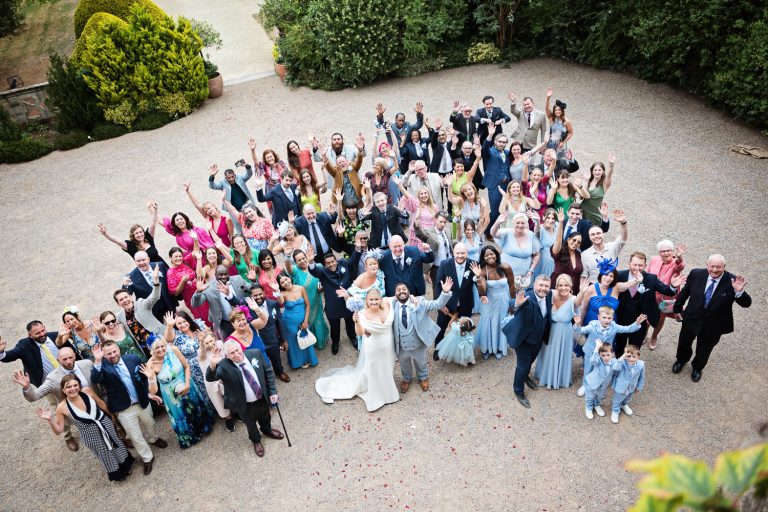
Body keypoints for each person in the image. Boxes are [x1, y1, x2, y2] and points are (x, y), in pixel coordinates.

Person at [35, 374, 134, 481]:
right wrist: (50, 419)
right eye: (68, 387)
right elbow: (58, 431)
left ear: (79, 385)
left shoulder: (87, 391)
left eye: (75, 385)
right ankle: (118, 474)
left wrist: (112, 416)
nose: (73, 389)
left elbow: (101, 403)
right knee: (104, 453)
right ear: (63, 390)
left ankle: (126, 466)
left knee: (116, 443)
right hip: (90, 435)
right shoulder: (62, 407)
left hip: (105, 424)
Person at [315, 288, 400, 411]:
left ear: (381, 299)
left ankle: (387, 388)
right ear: (366, 301)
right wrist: (356, 322)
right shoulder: (361, 313)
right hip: (373, 347)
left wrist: (413, 298)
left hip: (388, 345)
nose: (374, 302)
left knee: (387, 366)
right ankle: (375, 396)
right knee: (373, 368)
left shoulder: (387, 302)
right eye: (371, 300)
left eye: (376, 299)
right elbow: (360, 333)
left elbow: (399, 296)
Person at [90, 341, 168, 475]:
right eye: (108, 353)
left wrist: (149, 393)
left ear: (119, 349)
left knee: (150, 423)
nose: (113, 355)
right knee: (135, 436)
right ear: (104, 355)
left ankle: (153, 438)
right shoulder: (102, 367)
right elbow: (95, 379)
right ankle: (147, 458)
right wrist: (97, 361)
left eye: (114, 351)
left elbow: (143, 377)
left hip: (142, 401)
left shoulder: (132, 358)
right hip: (123, 408)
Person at [672, 254, 751, 382]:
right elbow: (686, 291)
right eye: (712, 266)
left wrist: (739, 292)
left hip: (714, 324)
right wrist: (677, 309)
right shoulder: (696, 274)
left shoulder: (733, 281)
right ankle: (681, 360)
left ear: (724, 266)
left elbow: (747, 304)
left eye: (718, 267)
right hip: (692, 317)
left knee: (704, 349)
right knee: (684, 342)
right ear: (707, 265)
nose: (714, 270)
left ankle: (697, 368)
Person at [205, 340, 283, 457]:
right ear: (227, 356)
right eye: (232, 353)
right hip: (244, 404)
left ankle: (267, 430)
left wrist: (272, 392)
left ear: (241, 348)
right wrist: (212, 365)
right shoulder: (224, 365)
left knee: (266, 416)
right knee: (250, 424)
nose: (236, 354)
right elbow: (210, 378)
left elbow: (268, 371)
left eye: (237, 350)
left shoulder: (255, 353)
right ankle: (256, 440)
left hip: (261, 398)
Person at [13, 346, 94, 452]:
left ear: (75, 355)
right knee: (63, 419)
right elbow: (35, 396)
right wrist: (27, 387)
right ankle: (68, 437)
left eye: (70, 357)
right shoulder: (53, 378)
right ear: (58, 360)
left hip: (93, 406)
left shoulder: (87, 364)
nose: (68, 361)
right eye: (64, 359)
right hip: (72, 412)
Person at [141, 338, 215, 448]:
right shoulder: (150, 364)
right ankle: (191, 436)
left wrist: (187, 385)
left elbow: (186, 366)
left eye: (162, 346)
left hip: (187, 383)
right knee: (182, 414)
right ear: (151, 350)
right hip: (172, 396)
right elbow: (153, 391)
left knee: (195, 405)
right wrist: (151, 378)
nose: (161, 349)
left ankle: (205, 427)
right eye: (157, 347)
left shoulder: (173, 350)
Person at [613, 252, 685, 357]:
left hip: (640, 321)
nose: (637, 268)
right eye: (634, 264)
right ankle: (618, 363)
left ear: (645, 266)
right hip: (620, 319)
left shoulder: (651, 279)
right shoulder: (619, 275)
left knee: (635, 349)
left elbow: (667, 291)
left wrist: (673, 286)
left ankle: (631, 365)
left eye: (640, 265)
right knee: (619, 346)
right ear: (629, 264)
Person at [393, 279, 453, 392]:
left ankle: (423, 377)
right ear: (395, 294)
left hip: (418, 342)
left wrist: (445, 292)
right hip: (401, 344)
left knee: (420, 361)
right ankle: (406, 378)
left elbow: (437, 304)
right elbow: (379, 302)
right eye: (398, 290)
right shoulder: (392, 305)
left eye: (404, 289)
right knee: (404, 363)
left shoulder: (420, 301)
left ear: (409, 291)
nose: (401, 291)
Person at [503, 275, 553, 408]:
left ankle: (525, 377)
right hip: (524, 339)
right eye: (541, 285)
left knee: (530, 361)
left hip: (538, 337)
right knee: (522, 366)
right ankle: (518, 391)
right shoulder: (527, 296)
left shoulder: (548, 295)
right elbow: (512, 304)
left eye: (546, 286)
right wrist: (516, 304)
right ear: (534, 285)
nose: (543, 288)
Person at [573, 305, 645, 398]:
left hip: (605, 354)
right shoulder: (592, 326)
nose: (606, 320)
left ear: (612, 318)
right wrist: (577, 324)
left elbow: (627, 329)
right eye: (604, 317)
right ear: (598, 317)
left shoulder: (614, 327)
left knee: (602, 369)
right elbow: (581, 330)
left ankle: (599, 387)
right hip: (590, 351)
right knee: (588, 368)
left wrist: (637, 323)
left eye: (609, 318)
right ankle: (585, 385)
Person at [534, 274, 579, 390]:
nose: (563, 288)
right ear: (556, 286)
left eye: (566, 285)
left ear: (571, 286)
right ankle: (544, 376)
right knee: (547, 353)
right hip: (550, 330)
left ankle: (559, 378)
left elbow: (579, 309)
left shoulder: (573, 299)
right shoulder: (551, 294)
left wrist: (583, 291)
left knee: (561, 354)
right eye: (560, 285)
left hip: (564, 332)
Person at [433, 243, 476, 360]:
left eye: (463, 253)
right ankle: (438, 348)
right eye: (458, 253)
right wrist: (440, 304)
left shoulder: (473, 264)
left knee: (465, 329)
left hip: (465, 303)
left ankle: (463, 352)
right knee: (441, 327)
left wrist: (479, 278)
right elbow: (438, 285)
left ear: (467, 253)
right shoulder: (444, 264)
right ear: (453, 253)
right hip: (447, 303)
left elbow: (479, 284)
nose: (460, 256)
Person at [0, 321, 72, 390]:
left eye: (43, 330)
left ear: (44, 327)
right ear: (29, 335)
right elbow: (8, 356)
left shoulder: (57, 336)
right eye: (37, 333)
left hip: (71, 378)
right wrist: (1, 351)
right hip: (50, 386)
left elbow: (73, 353)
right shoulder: (24, 345)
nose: (42, 334)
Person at [309, 252, 357, 355]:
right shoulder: (322, 272)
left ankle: (352, 337)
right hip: (333, 305)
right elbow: (314, 271)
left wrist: (357, 249)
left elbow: (353, 260)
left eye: (333, 261)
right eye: (328, 263)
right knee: (334, 326)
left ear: (336, 260)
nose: (331, 264)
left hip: (347, 301)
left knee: (350, 322)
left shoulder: (343, 263)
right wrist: (311, 261)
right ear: (325, 264)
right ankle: (335, 342)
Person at [163, 311, 214, 405]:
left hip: (209, 360)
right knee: (206, 390)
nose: (183, 325)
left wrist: (204, 340)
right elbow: (168, 339)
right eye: (179, 323)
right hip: (195, 369)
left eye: (184, 321)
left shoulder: (198, 324)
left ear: (188, 320)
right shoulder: (176, 335)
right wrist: (169, 326)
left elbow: (212, 337)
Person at [473, 246, 515, 360]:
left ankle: (500, 348)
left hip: (503, 302)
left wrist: (513, 303)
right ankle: (487, 348)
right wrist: (478, 277)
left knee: (501, 323)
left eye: (491, 254)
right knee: (489, 323)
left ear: (496, 254)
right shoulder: (483, 271)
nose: (489, 257)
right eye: (486, 255)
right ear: (483, 257)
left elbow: (512, 285)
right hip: (489, 303)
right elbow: (482, 292)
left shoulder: (505, 267)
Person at [284, 249, 330, 350]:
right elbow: (288, 268)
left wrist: (321, 288)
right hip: (304, 304)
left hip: (316, 300)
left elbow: (323, 281)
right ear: (295, 262)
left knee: (318, 320)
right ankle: (309, 342)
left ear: (306, 257)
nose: (302, 261)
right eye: (299, 260)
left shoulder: (317, 266)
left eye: (303, 258)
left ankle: (321, 341)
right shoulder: (295, 271)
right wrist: (287, 257)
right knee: (307, 321)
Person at [243, 284, 290, 382]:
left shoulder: (273, 304)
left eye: (260, 294)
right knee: (261, 362)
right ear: (251, 296)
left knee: (276, 358)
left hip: (272, 339)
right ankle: (265, 378)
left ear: (264, 293)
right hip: (257, 341)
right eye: (255, 295)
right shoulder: (247, 307)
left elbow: (280, 322)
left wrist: (284, 339)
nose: (258, 297)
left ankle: (279, 372)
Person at [113, 270, 165, 357]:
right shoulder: (119, 316)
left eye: (126, 297)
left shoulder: (141, 304)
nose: (125, 300)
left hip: (160, 341)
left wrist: (156, 282)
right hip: (146, 350)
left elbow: (154, 297)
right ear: (118, 304)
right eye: (121, 300)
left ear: (130, 297)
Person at [191, 265, 250, 340]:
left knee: (248, 340)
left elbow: (251, 289)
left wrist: (254, 280)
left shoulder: (238, 279)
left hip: (243, 320)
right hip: (225, 324)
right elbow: (195, 304)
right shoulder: (208, 287)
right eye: (221, 275)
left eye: (225, 274)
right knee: (230, 344)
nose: (224, 277)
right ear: (215, 275)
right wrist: (198, 291)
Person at [646, 241, 687, 350]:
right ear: (659, 252)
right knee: (646, 317)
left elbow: (680, 266)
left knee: (660, 318)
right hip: (651, 295)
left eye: (668, 250)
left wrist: (679, 257)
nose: (666, 253)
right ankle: (644, 334)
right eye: (663, 251)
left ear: (672, 251)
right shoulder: (654, 259)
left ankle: (654, 337)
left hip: (667, 298)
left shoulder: (675, 262)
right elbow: (648, 274)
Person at [97, 201, 163, 263]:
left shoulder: (148, 238)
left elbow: (153, 223)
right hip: (147, 270)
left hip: (162, 266)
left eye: (141, 232)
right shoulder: (131, 246)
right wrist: (105, 234)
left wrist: (155, 210)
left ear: (143, 232)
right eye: (136, 233)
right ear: (133, 235)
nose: (139, 234)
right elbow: (117, 241)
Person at [278, 271, 318, 369]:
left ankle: (309, 358)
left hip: (303, 320)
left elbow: (308, 306)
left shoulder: (301, 288)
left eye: (286, 279)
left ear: (289, 278)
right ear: (280, 285)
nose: (285, 282)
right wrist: (277, 292)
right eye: (282, 282)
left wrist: (305, 321)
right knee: (294, 341)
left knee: (305, 338)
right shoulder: (282, 294)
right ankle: (298, 362)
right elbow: (280, 302)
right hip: (289, 322)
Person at [122, 251, 177, 323]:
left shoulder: (160, 265)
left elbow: (171, 281)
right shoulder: (131, 276)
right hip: (151, 310)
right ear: (135, 262)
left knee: (176, 325)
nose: (141, 263)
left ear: (148, 259)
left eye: (143, 260)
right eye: (138, 261)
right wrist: (125, 285)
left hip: (168, 304)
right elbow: (126, 294)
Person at [196, 332, 234, 431]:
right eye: (206, 343)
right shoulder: (200, 352)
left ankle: (236, 411)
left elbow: (227, 359)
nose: (210, 344)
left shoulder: (220, 344)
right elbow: (205, 371)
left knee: (231, 394)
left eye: (211, 341)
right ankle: (227, 417)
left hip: (224, 374)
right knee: (218, 399)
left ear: (214, 338)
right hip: (211, 379)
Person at [491, 211, 542, 285]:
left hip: (523, 276)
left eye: (522, 223)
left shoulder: (531, 235)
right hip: (505, 272)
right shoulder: (507, 232)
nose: (520, 225)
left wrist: (531, 270)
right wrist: (497, 222)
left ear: (526, 224)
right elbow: (493, 233)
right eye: (517, 223)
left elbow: (537, 255)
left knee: (520, 292)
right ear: (513, 223)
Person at [480, 124, 512, 236]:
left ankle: (499, 230)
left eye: (504, 142)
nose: (502, 144)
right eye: (500, 142)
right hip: (494, 186)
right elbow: (484, 148)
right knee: (495, 211)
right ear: (495, 142)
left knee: (504, 210)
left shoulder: (508, 153)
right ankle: (487, 232)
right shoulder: (489, 152)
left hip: (506, 186)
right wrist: (490, 135)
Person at [581, 208, 627, 281]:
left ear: (603, 234)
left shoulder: (612, 247)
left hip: (612, 285)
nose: (596, 236)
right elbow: (583, 276)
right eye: (593, 234)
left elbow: (622, 238)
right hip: (594, 286)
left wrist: (623, 223)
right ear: (589, 237)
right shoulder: (584, 255)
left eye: (598, 233)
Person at [166, 247, 210, 324]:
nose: (178, 258)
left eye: (180, 256)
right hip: (191, 298)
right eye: (176, 257)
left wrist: (195, 240)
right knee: (203, 317)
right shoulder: (170, 273)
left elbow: (196, 251)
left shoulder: (184, 262)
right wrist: (182, 282)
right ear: (170, 258)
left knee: (210, 312)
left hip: (202, 291)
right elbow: (175, 293)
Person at [185, 182, 234, 247]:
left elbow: (231, 236)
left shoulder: (227, 219)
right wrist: (188, 192)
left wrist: (232, 249)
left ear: (214, 206)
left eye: (209, 208)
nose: (208, 211)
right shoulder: (209, 219)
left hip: (227, 247)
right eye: (206, 211)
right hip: (214, 249)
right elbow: (197, 205)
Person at [208, 158, 256, 225]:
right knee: (240, 226)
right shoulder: (222, 183)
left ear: (235, 175)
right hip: (234, 211)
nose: (231, 179)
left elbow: (249, 174)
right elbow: (212, 186)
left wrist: (247, 166)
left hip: (246, 207)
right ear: (225, 177)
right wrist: (212, 176)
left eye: (232, 177)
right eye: (229, 177)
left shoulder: (240, 178)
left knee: (253, 223)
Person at [321, 135, 366, 207]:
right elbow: (328, 166)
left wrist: (360, 151)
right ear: (337, 165)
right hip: (343, 203)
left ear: (347, 161)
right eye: (339, 163)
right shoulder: (335, 172)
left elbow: (359, 161)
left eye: (343, 162)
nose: (342, 164)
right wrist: (324, 156)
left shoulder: (353, 167)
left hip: (357, 200)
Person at [550, 208, 584, 294]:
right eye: (574, 240)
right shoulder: (560, 251)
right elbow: (558, 240)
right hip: (557, 290)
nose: (575, 243)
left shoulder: (579, 255)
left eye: (578, 242)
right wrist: (561, 222)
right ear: (568, 240)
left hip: (573, 291)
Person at [414, 210, 452, 285]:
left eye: (445, 222)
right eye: (441, 222)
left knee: (452, 288)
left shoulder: (448, 231)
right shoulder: (429, 232)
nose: (443, 224)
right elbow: (419, 234)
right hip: (437, 268)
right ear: (435, 220)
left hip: (450, 266)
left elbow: (452, 245)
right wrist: (416, 221)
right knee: (437, 289)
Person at [610, 345, 645, 424]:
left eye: (634, 356)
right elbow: (615, 367)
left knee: (628, 397)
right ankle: (615, 411)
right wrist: (623, 357)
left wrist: (639, 386)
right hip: (621, 386)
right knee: (617, 400)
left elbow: (642, 377)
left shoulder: (641, 365)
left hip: (632, 387)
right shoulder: (622, 363)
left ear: (638, 357)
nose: (631, 359)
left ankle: (623, 404)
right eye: (629, 356)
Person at [582, 341, 615, 420]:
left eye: (608, 355)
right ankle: (588, 407)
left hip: (604, 385)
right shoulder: (598, 361)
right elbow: (592, 360)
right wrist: (597, 348)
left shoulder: (614, 362)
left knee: (600, 396)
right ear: (599, 355)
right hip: (593, 383)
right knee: (590, 396)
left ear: (612, 354)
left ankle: (596, 405)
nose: (606, 357)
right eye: (603, 355)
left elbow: (617, 371)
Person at [582, 156, 615, 227]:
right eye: (595, 170)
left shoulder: (604, 184)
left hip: (596, 213)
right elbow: (581, 196)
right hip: (584, 211)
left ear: (603, 171)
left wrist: (611, 165)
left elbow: (609, 176)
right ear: (592, 171)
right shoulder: (588, 180)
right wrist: (585, 181)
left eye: (599, 170)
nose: (597, 172)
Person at [543, 88, 574, 157]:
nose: (557, 111)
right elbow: (547, 109)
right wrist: (548, 98)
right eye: (555, 110)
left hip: (560, 145)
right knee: (549, 160)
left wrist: (563, 142)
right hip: (550, 144)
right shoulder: (551, 118)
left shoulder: (567, 121)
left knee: (560, 161)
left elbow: (570, 133)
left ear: (562, 110)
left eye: (559, 110)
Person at [534, 208, 557, 278]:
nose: (550, 220)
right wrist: (537, 222)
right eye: (548, 218)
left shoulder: (556, 227)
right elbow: (537, 234)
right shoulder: (540, 228)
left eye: (553, 218)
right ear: (543, 217)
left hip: (555, 263)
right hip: (542, 263)